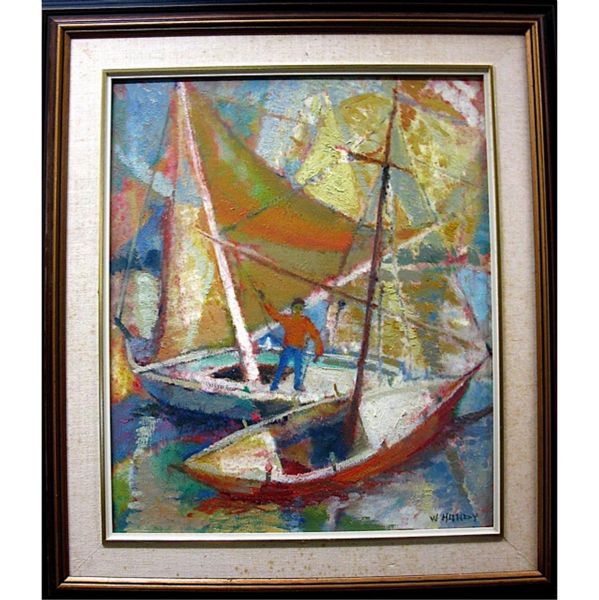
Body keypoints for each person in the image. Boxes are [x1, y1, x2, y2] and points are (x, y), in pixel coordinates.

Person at [257, 292, 324, 392]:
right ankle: (274, 386)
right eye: (296, 307)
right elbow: (275, 315)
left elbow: (315, 336)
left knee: (298, 368)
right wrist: (264, 302)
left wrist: (318, 353)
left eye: (300, 308)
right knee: (281, 367)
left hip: (299, 349)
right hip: (288, 348)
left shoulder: (306, 321)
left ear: (303, 309)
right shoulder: (287, 319)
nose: (298, 310)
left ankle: (297, 386)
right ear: (292, 308)